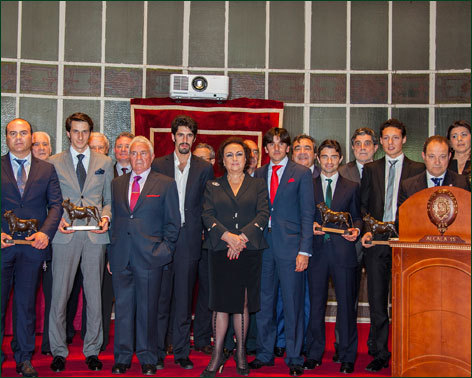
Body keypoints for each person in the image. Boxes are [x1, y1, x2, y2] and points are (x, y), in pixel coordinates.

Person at [109, 136, 181, 375]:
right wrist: (112, 255)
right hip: (121, 257)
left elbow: (173, 223)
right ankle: (122, 358)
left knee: (148, 311)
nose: (138, 158)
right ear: (128, 157)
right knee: (123, 310)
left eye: (142, 153)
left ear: (151, 157)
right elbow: (117, 223)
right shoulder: (117, 183)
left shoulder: (165, 183)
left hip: (151, 258)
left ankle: (148, 358)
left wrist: (164, 251)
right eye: (133, 153)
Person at [47, 112, 113, 372]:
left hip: (95, 237)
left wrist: (106, 218)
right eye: (76, 131)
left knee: (95, 297)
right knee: (59, 296)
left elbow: (108, 200)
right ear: (67, 133)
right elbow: (49, 200)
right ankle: (58, 351)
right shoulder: (53, 162)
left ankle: (92, 350)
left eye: (85, 131)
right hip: (64, 236)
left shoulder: (105, 162)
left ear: (90, 132)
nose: (80, 136)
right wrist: (55, 222)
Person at [201, 137, 269, 377]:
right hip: (221, 251)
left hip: (248, 252)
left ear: (247, 158)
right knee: (220, 305)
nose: (234, 159)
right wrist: (227, 237)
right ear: (222, 160)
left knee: (242, 304)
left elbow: (263, 214)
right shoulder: (212, 185)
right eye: (229, 155)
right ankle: (217, 354)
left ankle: (241, 354)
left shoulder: (259, 184)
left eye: (239, 154)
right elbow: (207, 216)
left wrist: (241, 239)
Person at [360, 119, 424, 372]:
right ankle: (380, 351)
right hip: (376, 243)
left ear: (404, 139)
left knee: (405, 300)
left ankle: (408, 347)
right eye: (385, 138)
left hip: (406, 244)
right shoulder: (371, 168)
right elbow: (363, 205)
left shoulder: (418, 169)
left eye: (395, 137)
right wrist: (367, 230)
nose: (390, 143)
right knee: (377, 300)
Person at [250, 127, 315, 377]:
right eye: (271, 144)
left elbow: (308, 214)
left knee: (293, 303)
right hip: (264, 247)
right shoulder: (258, 174)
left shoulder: (301, 173)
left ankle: (294, 355)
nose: (276, 148)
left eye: (280, 143)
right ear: (265, 148)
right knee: (264, 303)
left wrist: (304, 251)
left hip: (291, 250)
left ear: (288, 147)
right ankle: (265, 353)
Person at [152, 115, 214, 370]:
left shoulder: (204, 167)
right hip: (163, 241)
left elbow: (207, 205)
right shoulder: (158, 164)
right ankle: (156, 350)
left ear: (194, 138)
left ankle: (180, 351)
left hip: (189, 241)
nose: (185, 140)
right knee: (161, 297)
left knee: (183, 299)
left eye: (189, 135)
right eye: (181, 135)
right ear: (173, 137)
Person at [1, 119, 63, 377]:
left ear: (31, 137)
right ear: (6, 138)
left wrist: (45, 233)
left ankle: (24, 357)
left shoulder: (46, 169)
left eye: (23, 133)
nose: (18, 138)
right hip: (2, 246)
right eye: (12, 133)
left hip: (32, 248)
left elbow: (56, 205)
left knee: (26, 306)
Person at [304, 140, 361, 374]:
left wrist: (357, 230)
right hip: (316, 253)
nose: (329, 161)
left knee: (346, 306)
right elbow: (302, 216)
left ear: (340, 159)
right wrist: (311, 226)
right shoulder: (308, 184)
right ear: (318, 159)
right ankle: (314, 353)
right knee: (315, 306)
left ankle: (347, 356)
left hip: (343, 253)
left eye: (333, 157)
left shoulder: (352, 186)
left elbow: (358, 217)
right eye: (324, 157)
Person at [335, 127, 378, 362]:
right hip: (347, 244)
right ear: (352, 147)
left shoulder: (382, 170)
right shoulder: (342, 171)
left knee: (376, 297)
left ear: (375, 147)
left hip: (375, 243)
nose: (363, 147)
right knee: (346, 298)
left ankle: (374, 344)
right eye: (358, 143)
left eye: (367, 143)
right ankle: (342, 344)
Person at [273, 134, 317, 359]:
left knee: (304, 302)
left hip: (306, 249)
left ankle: (301, 346)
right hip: (280, 247)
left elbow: (308, 214)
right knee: (282, 299)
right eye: (298, 148)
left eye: (306, 148)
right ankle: (280, 342)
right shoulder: (275, 173)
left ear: (314, 153)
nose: (301, 152)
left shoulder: (309, 175)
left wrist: (304, 250)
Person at [192, 143, 216, 355]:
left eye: (203, 159)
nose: (198, 163)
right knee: (182, 292)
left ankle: (202, 338)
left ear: (212, 162)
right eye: (195, 158)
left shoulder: (218, 186)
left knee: (208, 293)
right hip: (187, 244)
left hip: (209, 245)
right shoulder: (181, 180)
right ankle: (173, 338)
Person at [398, 135, 469, 207]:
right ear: (424, 156)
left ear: (449, 156)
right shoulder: (408, 187)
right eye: (432, 156)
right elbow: (402, 217)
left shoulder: (462, 184)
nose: (437, 162)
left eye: (442, 156)